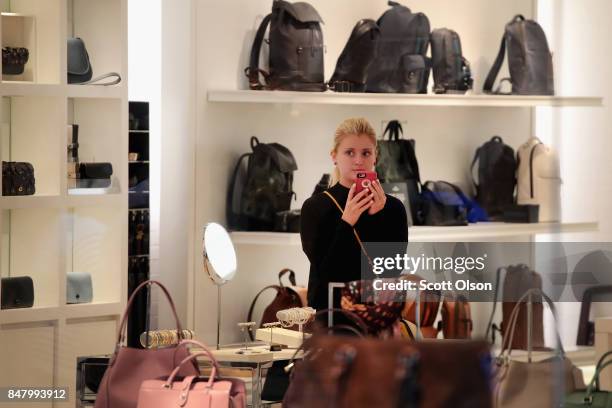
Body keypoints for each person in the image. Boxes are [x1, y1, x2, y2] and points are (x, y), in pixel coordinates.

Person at [300, 118, 409, 313]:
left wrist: (377, 218)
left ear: (375, 156)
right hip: (331, 320)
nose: (358, 161)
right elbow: (328, 274)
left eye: (366, 153)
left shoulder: (394, 208)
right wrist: (347, 222)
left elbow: (389, 272)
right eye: (349, 153)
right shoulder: (315, 207)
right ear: (334, 156)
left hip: (377, 318)